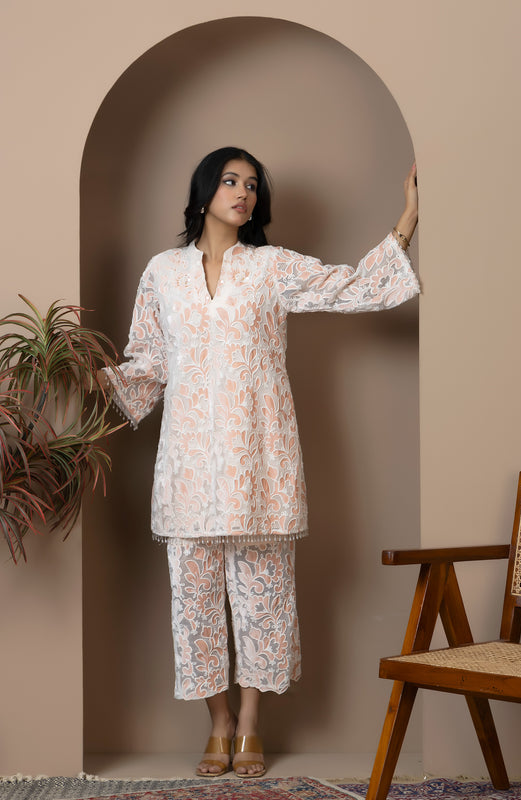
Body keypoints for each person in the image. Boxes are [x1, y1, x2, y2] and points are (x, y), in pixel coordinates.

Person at [101, 146, 420, 778]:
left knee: (263, 598)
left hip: (260, 458)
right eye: (230, 181)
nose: (243, 193)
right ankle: (217, 722)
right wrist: (88, 381)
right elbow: (148, 363)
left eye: (251, 185)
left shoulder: (271, 267)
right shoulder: (162, 272)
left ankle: (249, 723)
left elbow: (353, 285)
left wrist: (409, 216)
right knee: (194, 603)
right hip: (189, 464)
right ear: (204, 192)